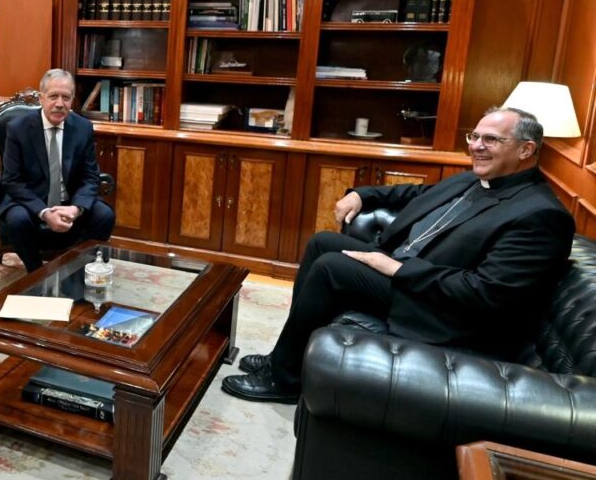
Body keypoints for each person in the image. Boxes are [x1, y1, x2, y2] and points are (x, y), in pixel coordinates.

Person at [222, 107, 575, 403]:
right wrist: (362, 194)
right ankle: (286, 357)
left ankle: (285, 381)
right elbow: (416, 194)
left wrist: (395, 269)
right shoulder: (475, 180)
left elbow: (487, 293)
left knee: (332, 268)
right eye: (474, 136)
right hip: (410, 275)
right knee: (322, 243)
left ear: (526, 150)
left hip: (440, 308)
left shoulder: (540, 215)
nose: (477, 147)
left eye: (491, 140)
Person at [0, 68, 115, 271]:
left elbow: (90, 176)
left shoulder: (83, 127)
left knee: (104, 214)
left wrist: (76, 208)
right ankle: (37, 273)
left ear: (72, 100)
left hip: (69, 200)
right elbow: (12, 180)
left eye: (66, 97)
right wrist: (43, 212)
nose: (59, 104)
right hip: (30, 200)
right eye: (53, 96)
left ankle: (73, 268)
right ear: (41, 98)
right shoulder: (18, 128)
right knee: (17, 221)